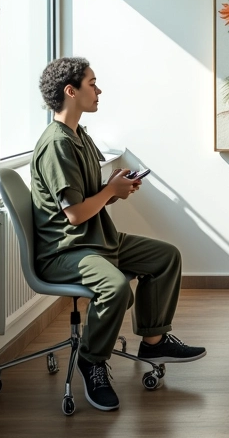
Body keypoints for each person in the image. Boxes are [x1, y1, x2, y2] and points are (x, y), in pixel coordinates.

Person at [30, 57, 206, 412]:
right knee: (115, 287)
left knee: (165, 257)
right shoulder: (56, 145)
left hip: (96, 239)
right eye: (92, 83)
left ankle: (154, 342)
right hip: (66, 251)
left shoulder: (79, 135)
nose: (98, 90)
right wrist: (111, 191)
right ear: (71, 91)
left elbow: (89, 197)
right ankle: (91, 361)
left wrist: (114, 188)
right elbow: (75, 215)